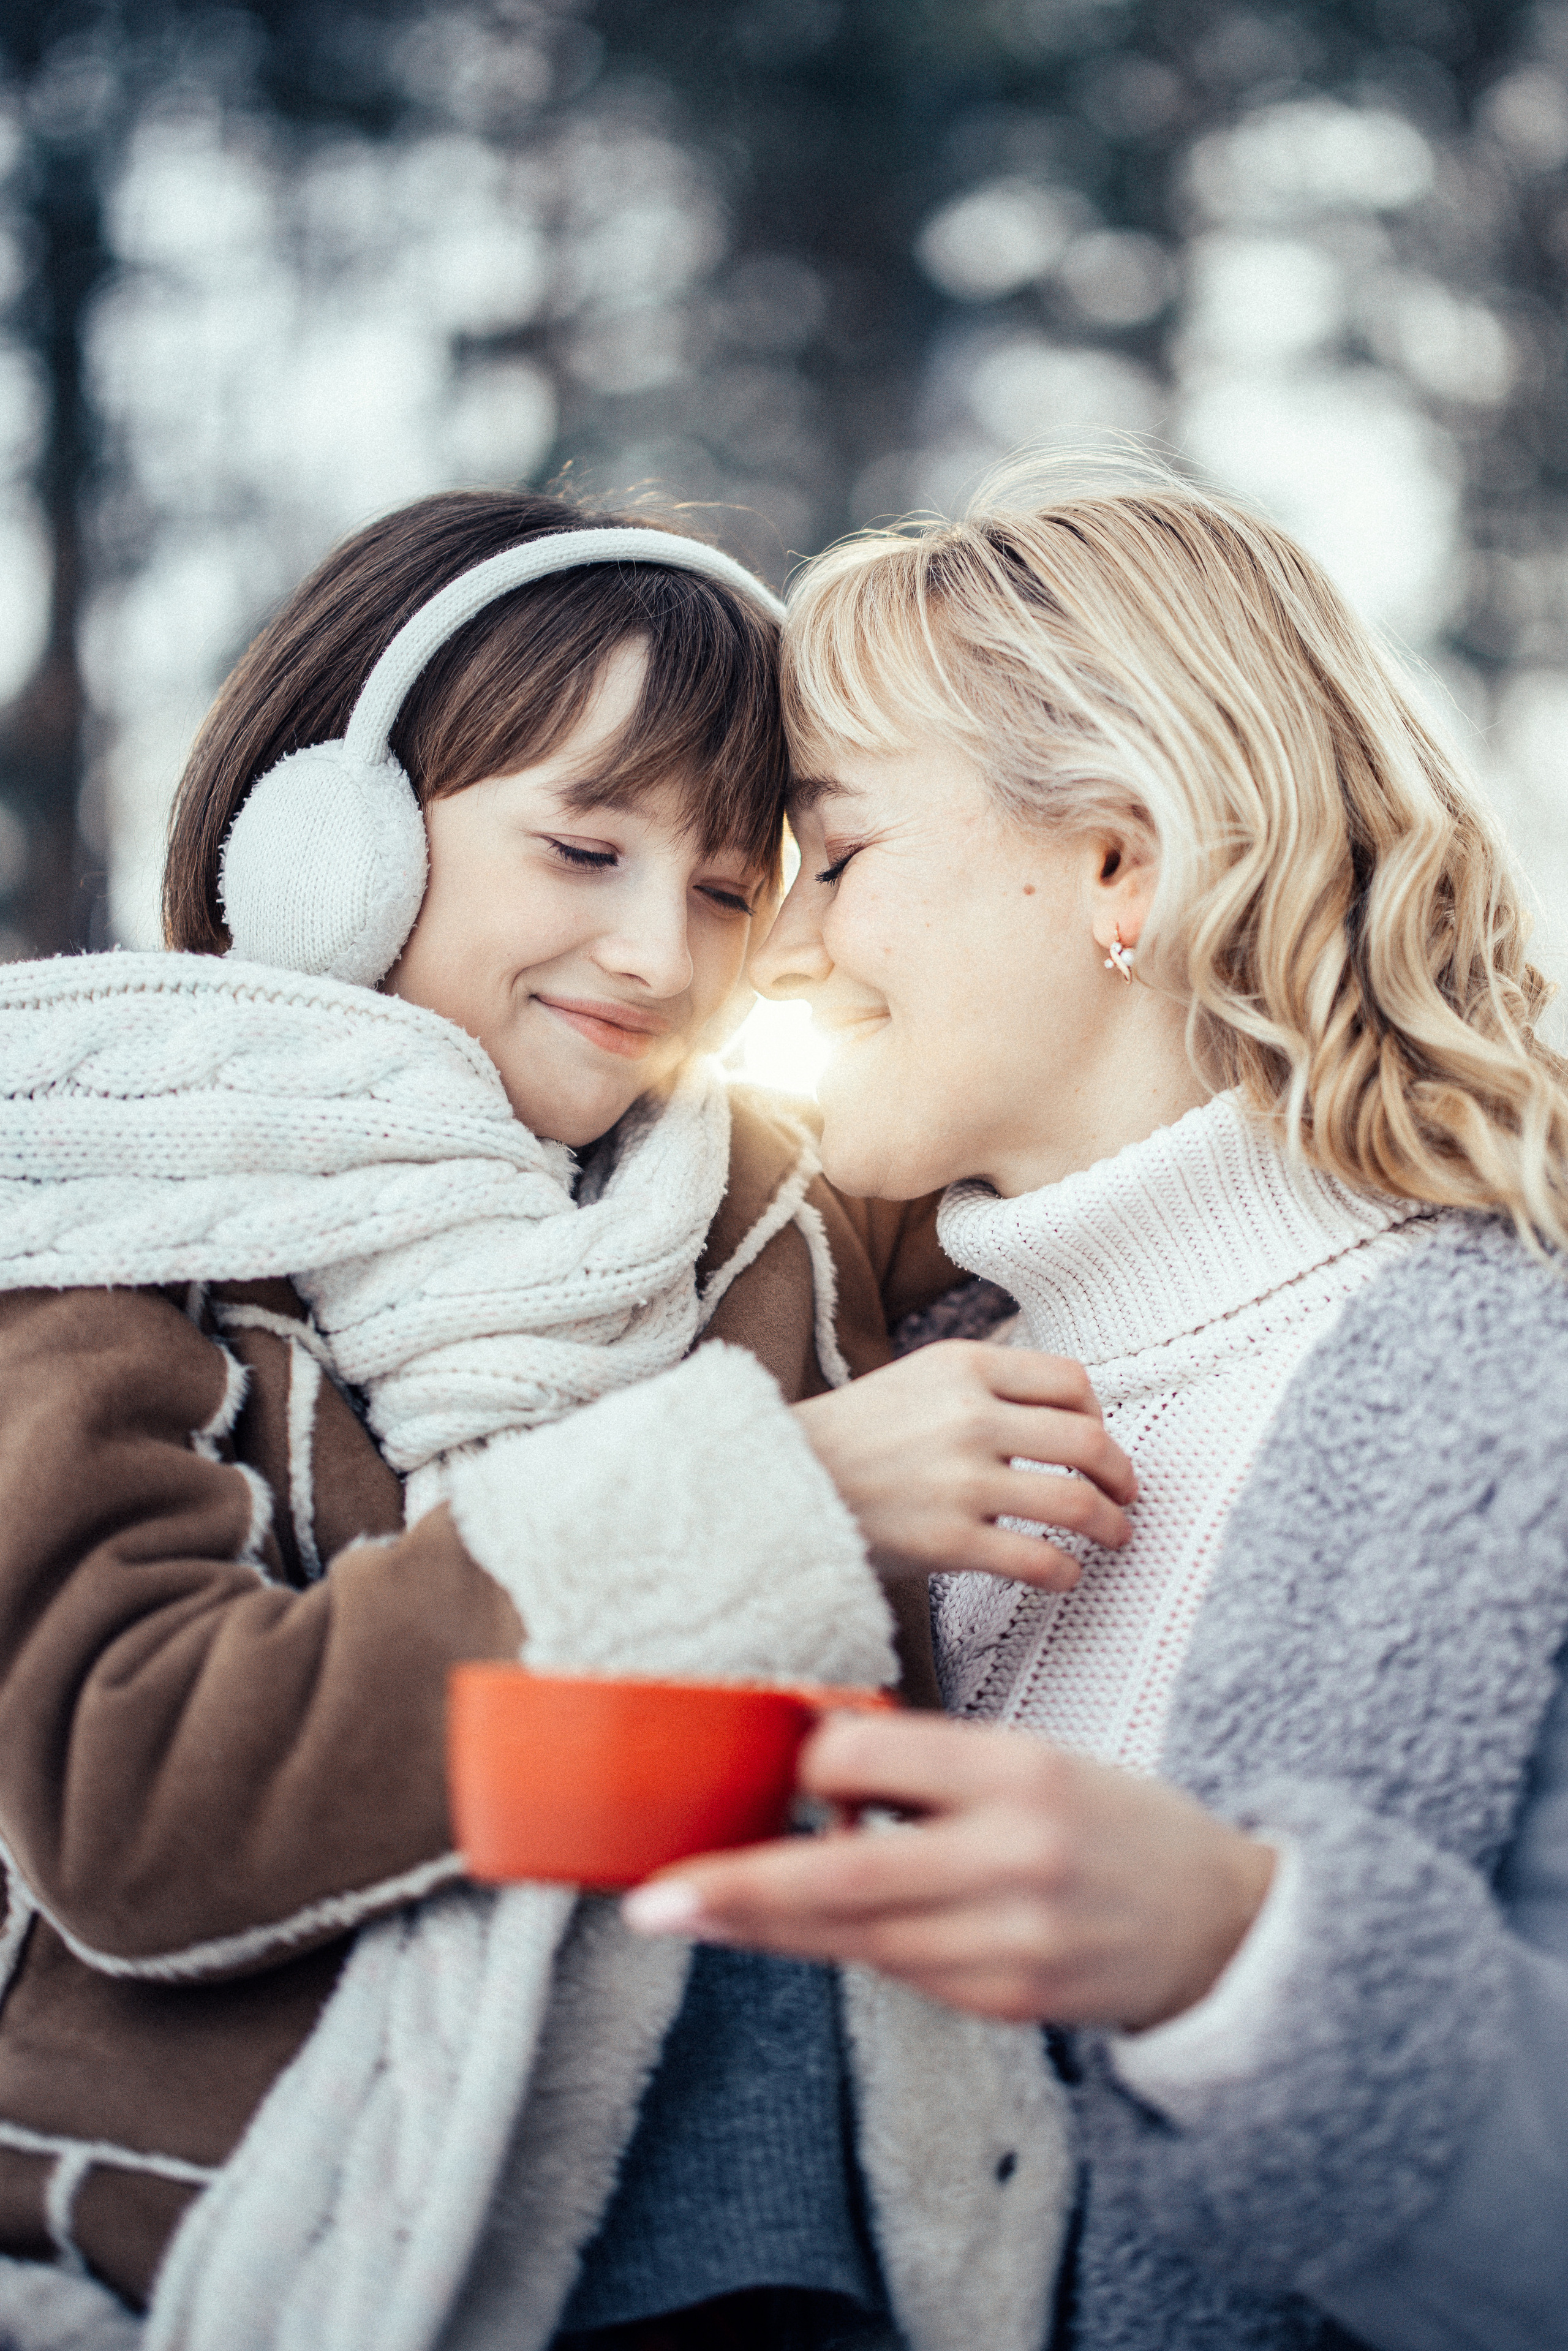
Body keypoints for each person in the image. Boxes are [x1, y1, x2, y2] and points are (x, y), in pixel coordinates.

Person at [0, 488, 1137, 2351]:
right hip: (294, 2247)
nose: (656, 962)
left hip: (826, 2255)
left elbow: (1122, 1127)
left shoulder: (783, 1208)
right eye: (583, 847)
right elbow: (140, 1805)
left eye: (720, 893)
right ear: (332, 838)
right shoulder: (99, 1235)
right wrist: (754, 1510)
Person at [625, 470, 1568, 2351]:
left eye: (837, 852)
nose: (772, 945)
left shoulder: (1521, 1421)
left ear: (1120, 863)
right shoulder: (848, 1400)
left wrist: (1247, 1963)